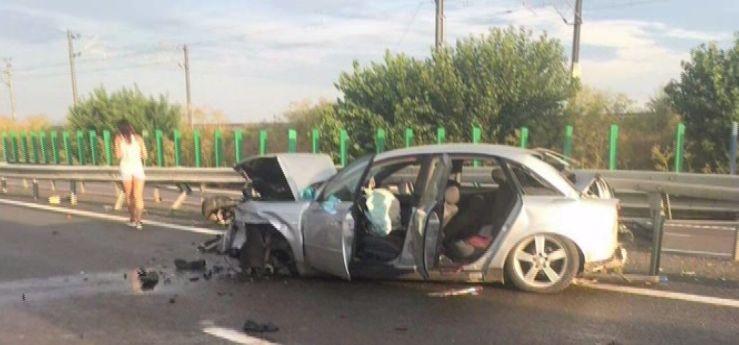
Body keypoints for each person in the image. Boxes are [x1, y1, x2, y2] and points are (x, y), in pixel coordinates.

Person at [114, 120, 147, 230]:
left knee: (129, 195)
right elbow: (145, 155)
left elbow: (118, 155)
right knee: (138, 196)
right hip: (138, 168)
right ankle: (139, 221)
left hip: (126, 168)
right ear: (130, 127)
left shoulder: (118, 139)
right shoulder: (139, 138)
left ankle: (132, 218)